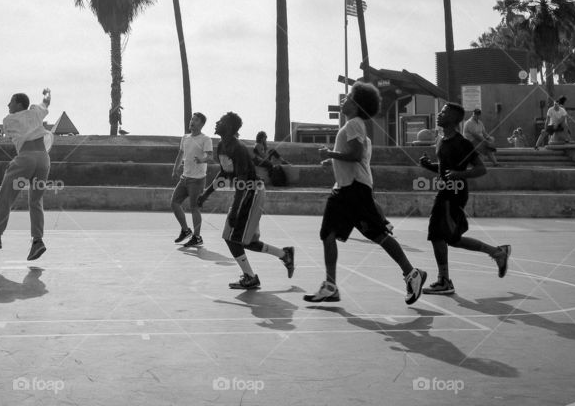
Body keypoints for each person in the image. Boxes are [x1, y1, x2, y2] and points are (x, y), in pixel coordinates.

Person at [303, 82, 427, 305]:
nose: (344, 100)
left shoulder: (354, 124)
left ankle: (411, 273)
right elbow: (355, 155)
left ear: (357, 104)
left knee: (377, 235)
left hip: (354, 190)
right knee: (328, 234)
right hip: (344, 189)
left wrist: (330, 152)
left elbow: (355, 154)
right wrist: (331, 159)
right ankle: (330, 285)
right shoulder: (355, 127)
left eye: (349, 97)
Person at [418, 102, 511, 295]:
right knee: (452, 239)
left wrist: (460, 175)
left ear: (453, 119)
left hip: (454, 195)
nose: (439, 114)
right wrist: (429, 166)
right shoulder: (441, 139)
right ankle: (497, 252)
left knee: (436, 234)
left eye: (444, 112)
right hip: (445, 191)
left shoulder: (462, 143)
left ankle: (444, 281)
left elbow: (481, 169)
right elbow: (445, 168)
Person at [197, 112, 294, 290]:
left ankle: (250, 277)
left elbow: (241, 183)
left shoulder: (238, 148)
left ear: (230, 128)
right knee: (242, 240)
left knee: (233, 237)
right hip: (245, 193)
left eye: (222, 121)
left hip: (252, 192)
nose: (217, 122)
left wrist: (234, 211)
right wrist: (206, 194)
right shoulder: (222, 147)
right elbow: (224, 174)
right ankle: (284, 254)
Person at [0, 88, 53, 260]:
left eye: (11, 102)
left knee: (5, 198)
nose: (8, 104)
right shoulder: (36, 112)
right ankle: (37, 241)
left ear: (19, 104)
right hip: (44, 159)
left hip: (26, 158)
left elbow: (14, 135)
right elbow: (47, 102)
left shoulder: (8, 120)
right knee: (36, 201)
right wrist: (46, 93)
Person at [170, 112, 213, 248]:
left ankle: (197, 237)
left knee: (194, 208)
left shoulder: (205, 139)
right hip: (185, 178)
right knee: (174, 203)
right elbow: (180, 154)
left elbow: (210, 156)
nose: (192, 122)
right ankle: (185, 230)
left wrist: (202, 160)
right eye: (191, 119)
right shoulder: (185, 138)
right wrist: (175, 168)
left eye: (195, 120)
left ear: (201, 124)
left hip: (198, 180)